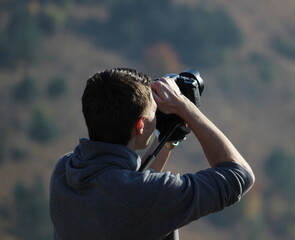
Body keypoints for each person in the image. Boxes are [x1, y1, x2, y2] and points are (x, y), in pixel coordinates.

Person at [50, 67, 255, 240]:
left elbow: (131, 196)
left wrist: (167, 139)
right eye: (153, 112)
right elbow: (239, 176)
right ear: (140, 125)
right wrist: (185, 107)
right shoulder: (145, 196)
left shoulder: (65, 171)